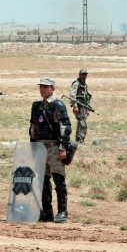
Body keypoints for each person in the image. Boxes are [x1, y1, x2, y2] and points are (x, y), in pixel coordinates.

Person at [30, 78, 72, 223]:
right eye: (41, 86)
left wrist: (62, 148)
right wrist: (33, 147)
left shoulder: (58, 105)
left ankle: (62, 212)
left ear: (53, 89)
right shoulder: (36, 106)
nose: (42, 89)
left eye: (46, 87)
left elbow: (65, 127)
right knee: (43, 180)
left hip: (54, 146)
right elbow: (33, 127)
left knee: (58, 178)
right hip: (40, 146)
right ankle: (46, 212)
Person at [69, 68, 92, 144]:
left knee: (80, 123)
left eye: (85, 74)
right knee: (83, 124)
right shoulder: (76, 83)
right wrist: (75, 106)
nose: (84, 76)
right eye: (83, 74)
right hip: (78, 106)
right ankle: (80, 139)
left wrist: (88, 109)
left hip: (84, 107)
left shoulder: (84, 85)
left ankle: (78, 140)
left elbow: (87, 97)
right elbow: (72, 95)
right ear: (79, 75)